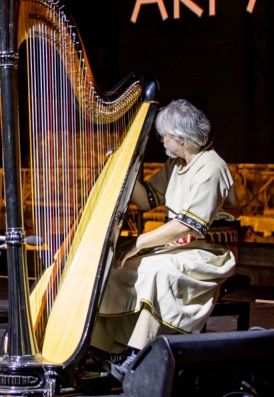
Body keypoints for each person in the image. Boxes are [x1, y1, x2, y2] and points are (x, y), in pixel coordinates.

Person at [90, 99, 240, 381]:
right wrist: (122, 169)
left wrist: (139, 242)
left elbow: (189, 225)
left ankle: (140, 354)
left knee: (156, 271)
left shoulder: (211, 167)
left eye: (164, 136)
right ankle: (107, 348)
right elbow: (147, 199)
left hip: (208, 250)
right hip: (179, 245)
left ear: (180, 138)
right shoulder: (177, 164)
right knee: (116, 265)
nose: (162, 141)